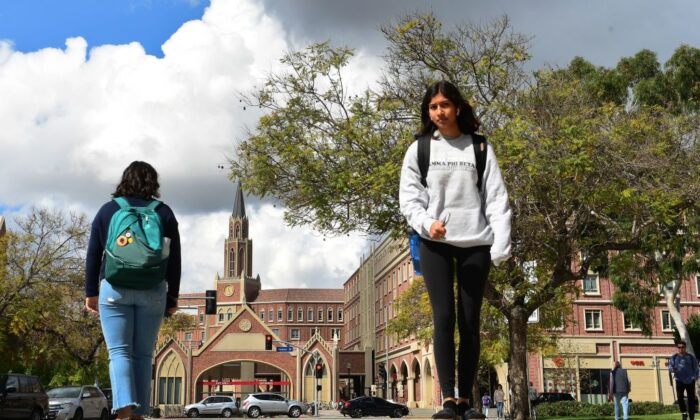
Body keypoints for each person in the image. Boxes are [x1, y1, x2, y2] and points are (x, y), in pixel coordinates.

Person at [399, 80, 511, 420]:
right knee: (443, 318)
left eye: (444, 105)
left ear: (457, 107)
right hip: (435, 244)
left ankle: (466, 400)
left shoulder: (478, 148)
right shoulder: (421, 149)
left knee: (470, 321)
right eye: (433, 107)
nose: (439, 112)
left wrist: (501, 244)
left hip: (475, 243)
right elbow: (409, 197)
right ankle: (448, 399)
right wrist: (426, 222)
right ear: (428, 112)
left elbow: (496, 197)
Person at [85, 161, 181, 420]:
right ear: (153, 183)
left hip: (114, 289)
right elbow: (174, 259)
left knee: (119, 351)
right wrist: (172, 297)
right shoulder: (164, 213)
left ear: (124, 180)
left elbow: (94, 253)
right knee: (143, 353)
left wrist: (91, 292)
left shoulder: (108, 211)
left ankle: (124, 411)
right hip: (152, 290)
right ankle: (138, 414)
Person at [669, 341, 699, 420]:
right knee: (679, 397)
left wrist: (694, 378)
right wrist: (673, 370)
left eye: (682, 347)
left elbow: (696, 368)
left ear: (685, 347)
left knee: (691, 399)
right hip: (679, 380)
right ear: (677, 348)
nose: (681, 348)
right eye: (679, 347)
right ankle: (684, 413)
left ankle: (692, 416)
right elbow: (670, 367)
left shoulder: (690, 357)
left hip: (690, 381)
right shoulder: (674, 357)